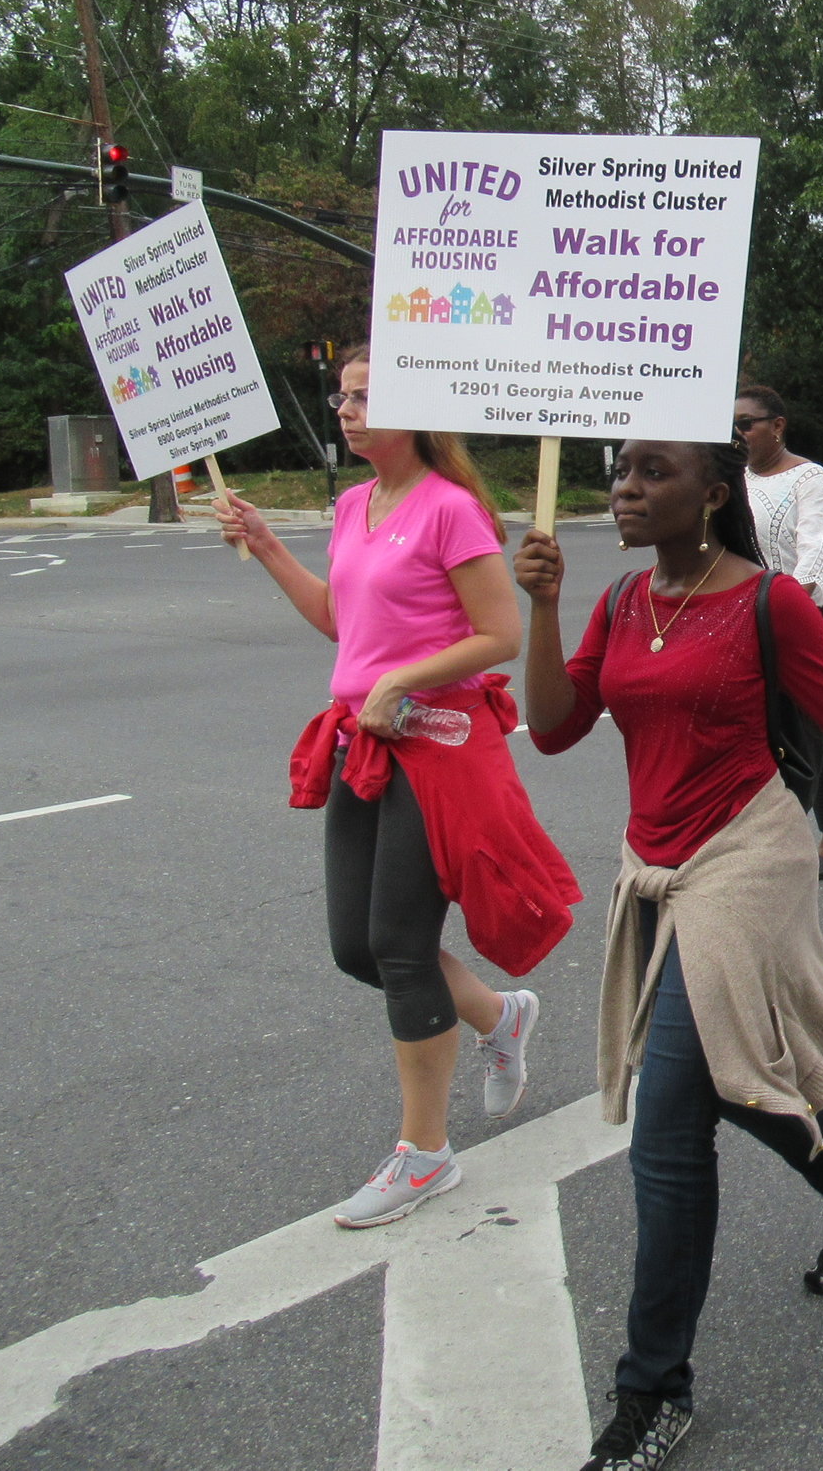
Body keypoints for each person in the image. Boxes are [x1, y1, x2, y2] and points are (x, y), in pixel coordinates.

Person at [511, 440, 823, 1471]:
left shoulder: (766, 605)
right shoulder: (615, 603)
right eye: (622, 476)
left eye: (654, 473)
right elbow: (552, 728)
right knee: (739, 1081)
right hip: (654, 866)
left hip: (745, 856)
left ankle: (652, 1394)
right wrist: (545, 605)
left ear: (713, 494)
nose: (628, 492)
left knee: (669, 1126)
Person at [217, 348, 579, 1228]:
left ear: (416, 408)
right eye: (341, 396)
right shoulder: (352, 506)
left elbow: (496, 633)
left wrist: (404, 679)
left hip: (438, 752)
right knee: (356, 947)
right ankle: (502, 1017)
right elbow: (346, 624)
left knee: (399, 942)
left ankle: (426, 1151)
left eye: (365, 396)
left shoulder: (452, 510)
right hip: (362, 744)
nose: (345, 410)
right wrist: (267, 545)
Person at [736, 386, 823, 879]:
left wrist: (785, 608)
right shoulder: (733, 479)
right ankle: (758, 836)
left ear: (777, 426)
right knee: (755, 724)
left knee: (810, 725)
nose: (738, 433)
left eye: (747, 424)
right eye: (734, 424)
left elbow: (817, 553)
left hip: (806, 616)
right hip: (746, 614)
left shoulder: (810, 479)